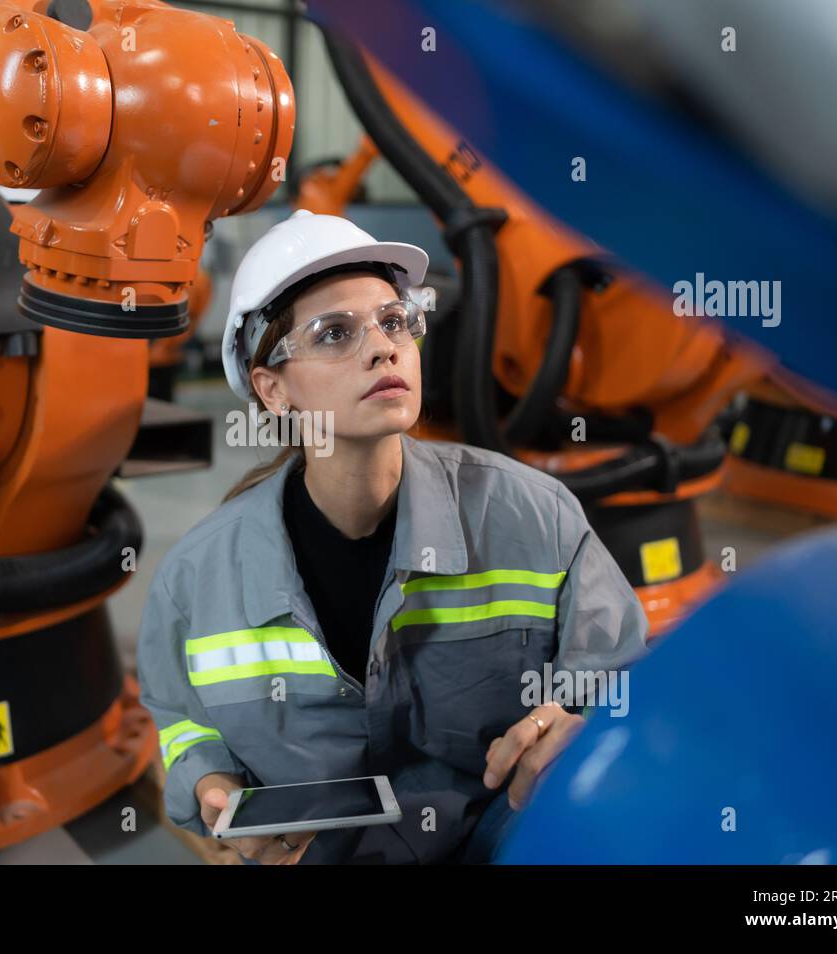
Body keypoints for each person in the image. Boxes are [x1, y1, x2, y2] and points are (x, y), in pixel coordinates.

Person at [136, 209, 649, 864]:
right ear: (273, 390)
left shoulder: (534, 519)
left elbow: (625, 683)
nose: (382, 346)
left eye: (394, 320)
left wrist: (584, 732)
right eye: (335, 333)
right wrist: (209, 782)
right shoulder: (195, 580)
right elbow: (182, 720)